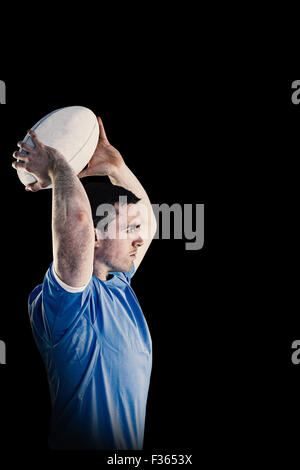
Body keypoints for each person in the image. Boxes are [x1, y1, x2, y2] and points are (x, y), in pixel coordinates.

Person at [12, 116, 157, 450]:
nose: (140, 240)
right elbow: (76, 223)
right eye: (128, 230)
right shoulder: (67, 302)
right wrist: (58, 167)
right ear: (93, 236)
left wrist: (116, 167)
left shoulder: (119, 288)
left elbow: (147, 221)